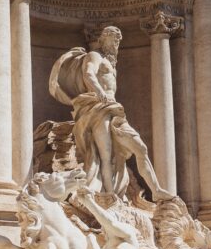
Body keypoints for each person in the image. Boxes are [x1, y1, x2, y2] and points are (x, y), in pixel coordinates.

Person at [49, 26, 171, 201]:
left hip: (114, 109)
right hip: (97, 108)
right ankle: (109, 196)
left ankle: (156, 190)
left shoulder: (111, 62)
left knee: (140, 148)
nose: (117, 43)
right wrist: (99, 91)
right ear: (103, 38)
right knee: (106, 155)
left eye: (118, 40)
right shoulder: (95, 56)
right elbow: (88, 73)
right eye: (114, 39)